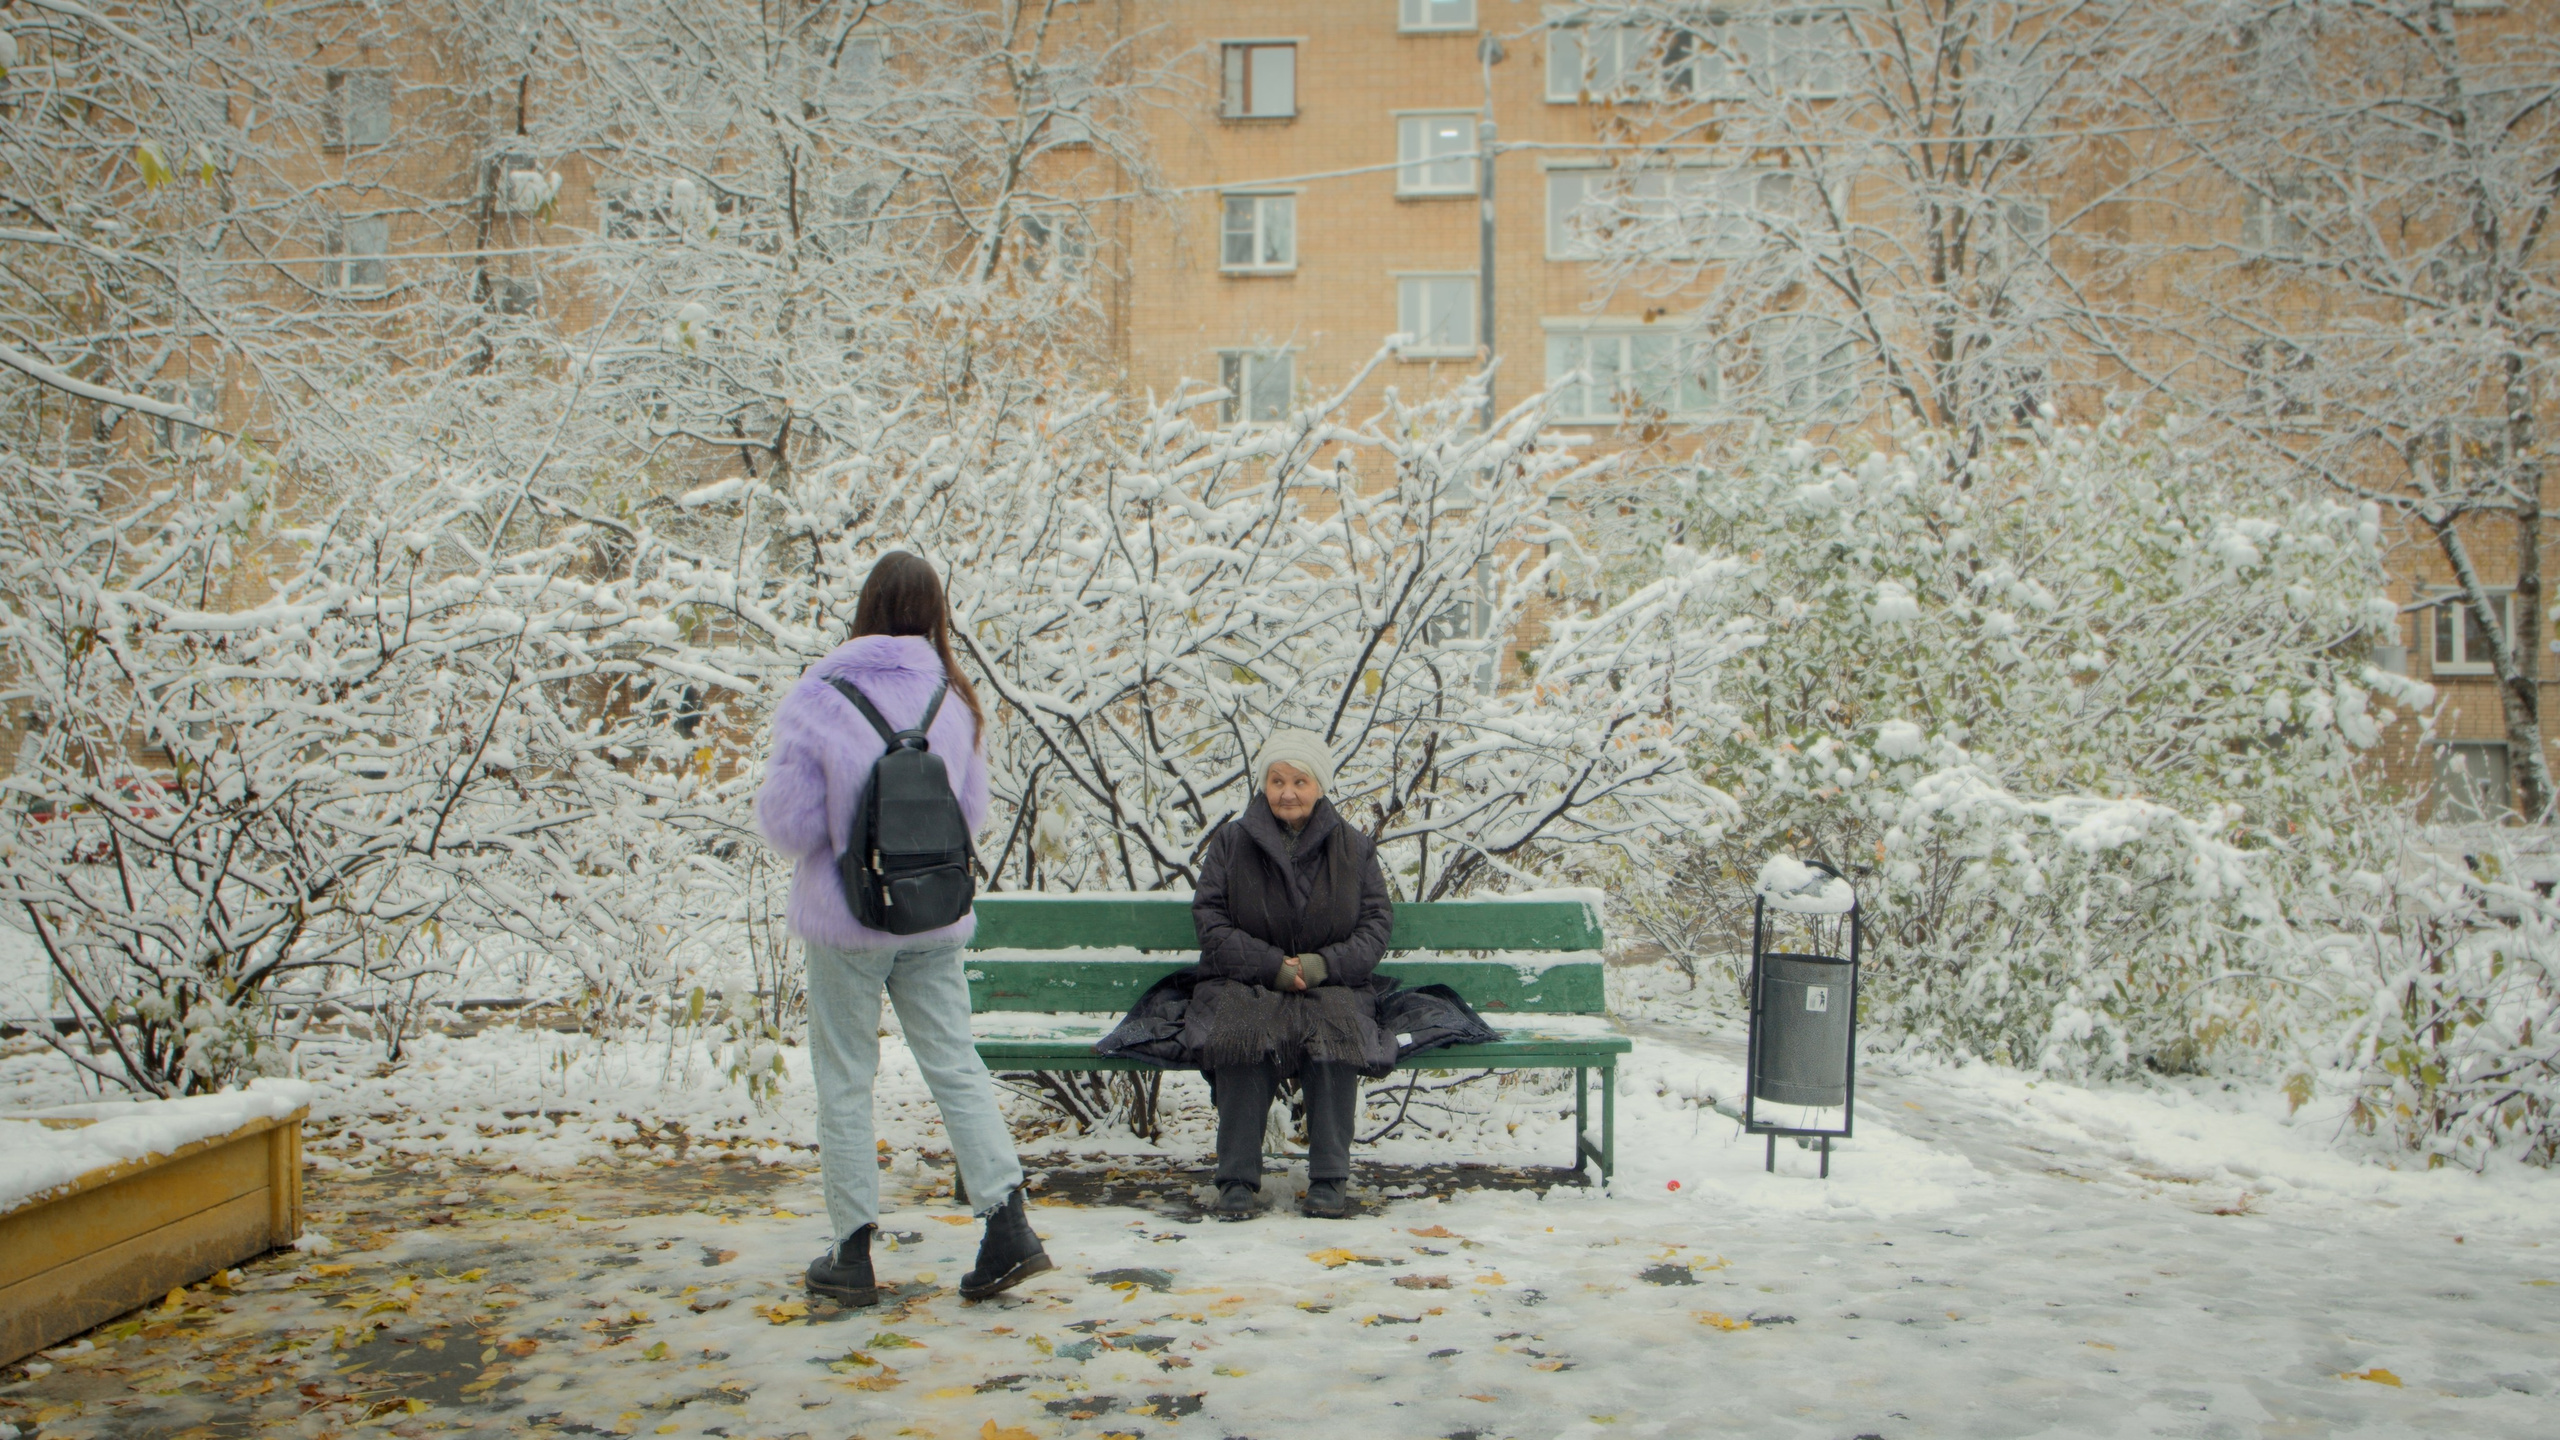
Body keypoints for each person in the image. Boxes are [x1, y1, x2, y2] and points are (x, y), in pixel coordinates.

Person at [756, 552, 1051, 1305]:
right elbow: (972, 815)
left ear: (866, 608)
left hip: (848, 921)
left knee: (846, 1082)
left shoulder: (820, 695)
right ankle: (1008, 1224)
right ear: (934, 613)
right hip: (933, 917)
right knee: (955, 1064)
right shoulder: (954, 699)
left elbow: (788, 826)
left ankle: (851, 1252)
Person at [1190, 728, 1396, 1219]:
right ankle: (1236, 1179)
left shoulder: (1354, 848)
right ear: (1264, 785)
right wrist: (1271, 966)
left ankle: (1330, 1177)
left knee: (1336, 1031)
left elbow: (1375, 925)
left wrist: (1322, 965)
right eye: (1277, 780)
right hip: (1248, 981)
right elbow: (1210, 919)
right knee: (1242, 1031)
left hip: (1333, 984)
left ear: (1319, 786)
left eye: (1299, 781)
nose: (1287, 792)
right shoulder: (1231, 842)